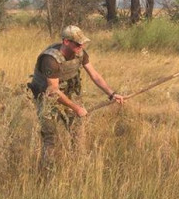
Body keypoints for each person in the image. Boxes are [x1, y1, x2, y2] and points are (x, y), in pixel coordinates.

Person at [28, 25, 124, 170]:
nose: (81, 46)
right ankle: (48, 169)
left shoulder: (80, 53)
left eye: (83, 43)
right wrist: (77, 108)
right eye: (78, 44)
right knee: (50, 136)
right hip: (46, 97)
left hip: (68, 92)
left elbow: (95, 76)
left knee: (78, 131)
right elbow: (53, 91)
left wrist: (111, 94)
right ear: (66, 42)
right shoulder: (50, 59)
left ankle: (79, 166)